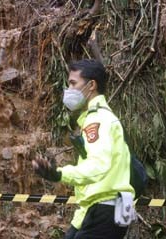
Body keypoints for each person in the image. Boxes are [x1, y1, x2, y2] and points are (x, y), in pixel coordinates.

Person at [32, 59, 134, 239]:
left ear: (91, 85)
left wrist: (60, 174)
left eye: (73, 83)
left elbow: (97, 166)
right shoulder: (96, 118)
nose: (68, 90)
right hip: (96, 209)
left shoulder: (98, 120)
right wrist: (75, 226)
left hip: (104, 210)